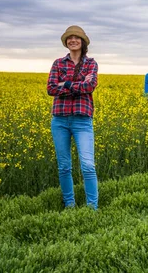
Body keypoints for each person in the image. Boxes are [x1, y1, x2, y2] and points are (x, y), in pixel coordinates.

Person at [47, 25, 99, 210]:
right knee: (64, 167)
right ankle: (69, 205)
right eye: (70, 38)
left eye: (77, 37)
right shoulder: (58, 63)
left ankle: (92, 208)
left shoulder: (90, 64)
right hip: (59, 120)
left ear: (83, 42)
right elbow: (51, 89)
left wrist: (65, 83)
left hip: (82, 120)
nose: (73, 40)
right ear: (66, 42)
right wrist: (76, 84)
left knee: (87, 165)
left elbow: (89, 87)